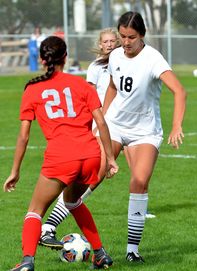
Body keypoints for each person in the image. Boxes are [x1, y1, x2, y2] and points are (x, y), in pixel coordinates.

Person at [3, 36, 118, 271]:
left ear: (41, 59)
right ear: (65, 57)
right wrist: (111, 158)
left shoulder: (32, 88)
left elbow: (24, 136)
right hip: (90, 155)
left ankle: (27, 262)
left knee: (35, 210)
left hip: (61, 158)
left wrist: (15, 171)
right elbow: (102, 123)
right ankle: (100, 254)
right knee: (73, 201)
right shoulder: (83, 86)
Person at [100, 11, 187, 263]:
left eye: (131, 37)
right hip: (115, 125)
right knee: (94, 173)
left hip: (145, 131)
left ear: (142, 36)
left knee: (139, 181)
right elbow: (113, 87)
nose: (126, 42)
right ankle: (50, 226)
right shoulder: (115, 54)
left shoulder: (153, 58)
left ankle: (132, 250)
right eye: (122, 36)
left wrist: (176, 125)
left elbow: (179, 91)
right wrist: (102, 121)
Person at [40, 28, 120, 249]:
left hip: (127, 124)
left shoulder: (126, 63)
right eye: (106, 41)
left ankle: (136, 228)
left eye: (114, 40)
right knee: (91, 179)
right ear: (100, 44)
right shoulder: (95, 68)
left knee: (137, 180)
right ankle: (49, 226)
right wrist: (91, 126)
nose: (110, 44)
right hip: (103, 124)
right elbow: (88, 98)